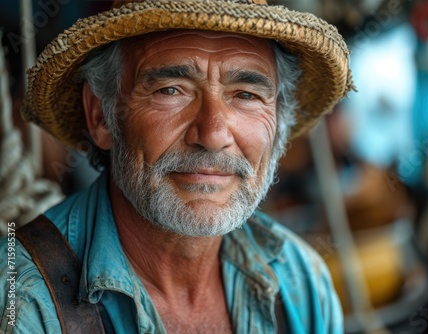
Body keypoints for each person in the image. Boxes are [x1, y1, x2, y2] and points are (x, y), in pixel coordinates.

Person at [0, 0, 353, 333]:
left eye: (246, 94)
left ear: (279, 123)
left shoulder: (302, 280)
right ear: (101, 116)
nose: (213, 135)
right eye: (171, 90)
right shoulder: (22, 299)